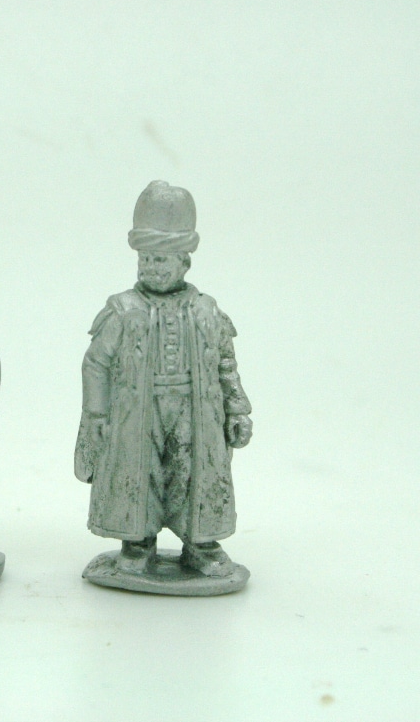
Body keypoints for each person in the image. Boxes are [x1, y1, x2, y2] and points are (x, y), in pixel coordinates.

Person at [75, 181, 252, 579]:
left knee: (192, 473)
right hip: (137, 411)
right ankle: (138, 543)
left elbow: (226, 364)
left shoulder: (206, 311)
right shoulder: (123, 310)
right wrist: (97, 414)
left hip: (196, 411)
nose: (152, 268)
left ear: (184, 262)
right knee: (142, 474)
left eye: (162, 260)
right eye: (146, 259)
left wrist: (237, 409)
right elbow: (96, 363)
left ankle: (201, 544)